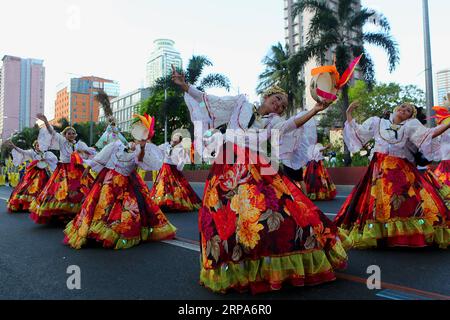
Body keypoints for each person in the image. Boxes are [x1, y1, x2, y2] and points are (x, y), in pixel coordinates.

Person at [173, 66, 348, 294]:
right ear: (267, 96)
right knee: (224, 216)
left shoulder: (272, 123)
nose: (278, 106)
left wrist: (315, 109)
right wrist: (185, 86)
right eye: (276, 99)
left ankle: (272, 261)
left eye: (282, 105)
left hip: (255, 165)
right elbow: (211, 100)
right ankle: (236, 264)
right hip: (228, 161)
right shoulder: (241, 103)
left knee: (272, 210)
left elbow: (290, 125)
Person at [334, 101, 450, 249]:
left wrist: (448, 124)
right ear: (396, 108)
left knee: (406, 202)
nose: (404, 110)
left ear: (410, 117)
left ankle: (404, 235)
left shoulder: (410, 126)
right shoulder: (377, 122)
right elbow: (358, 133)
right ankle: (379, 233)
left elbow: (429, 134)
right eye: (403, 107)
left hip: (400, 169)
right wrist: (348, 113)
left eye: (408, 111)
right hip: (378, 169)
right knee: (376, 203)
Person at [64, 114, 176, 249]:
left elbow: (141, 160)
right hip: (108, 181)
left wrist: (143, 146)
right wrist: (88, 168)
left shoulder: (141, 151)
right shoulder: (116, 145)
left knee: (125, 210)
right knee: (102, 207)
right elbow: (101, 157)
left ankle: (115, 233)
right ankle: (95, 230)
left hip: (126, 185)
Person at [29, 114, 96, 224]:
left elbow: (89, 151)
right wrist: (46, 120)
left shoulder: (78, 144)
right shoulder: (61, 140)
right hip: (64, 169)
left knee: (79, 190)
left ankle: (76, 213)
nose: (71, 135)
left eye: (73, 133)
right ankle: (62, 214)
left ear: (75, 135)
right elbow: (51, 131)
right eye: (69, 133)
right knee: (63, 191)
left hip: (77, 169)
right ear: (64, 135)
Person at [149, 132, 201, 212]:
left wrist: (179, 164)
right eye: (174, 136)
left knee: (175, 186)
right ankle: (162, 202)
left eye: (177, 137)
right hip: (164, 168)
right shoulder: (166, 145)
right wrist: (149, 142)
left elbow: (180, 163)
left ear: (179, 141)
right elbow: (156, 149)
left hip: (173, 169)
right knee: (162, 185)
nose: (175, 138)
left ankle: (173, 203)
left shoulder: (180, 149)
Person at [5, 140, 57, 212]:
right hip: (33, 173)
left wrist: (45, 159)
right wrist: (14, 146)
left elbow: (54, 159)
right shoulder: (32, 153)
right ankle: (27, 204)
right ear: (35, 146)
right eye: (37, 145)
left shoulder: (47, 153)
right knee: (27, 187)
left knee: (45, 187)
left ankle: (40, 204)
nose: (39, 147)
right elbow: (22, 151)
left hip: (44, 173)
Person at [279, 111, 316, 194]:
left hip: (290, 161)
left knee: (291, 180)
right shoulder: (302, 136)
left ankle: (295, 197)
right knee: (299, 180)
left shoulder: (295, 134)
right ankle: (304, 198)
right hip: (295, 161)